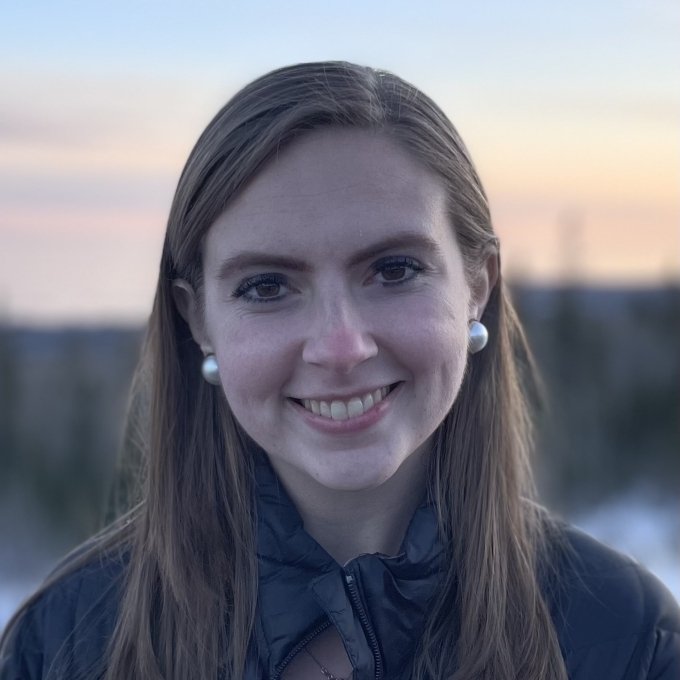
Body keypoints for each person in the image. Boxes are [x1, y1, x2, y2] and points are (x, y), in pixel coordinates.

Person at [0, 61, 678, 680]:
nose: (340, 346)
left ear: (477, 284)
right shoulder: (64, 644)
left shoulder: (624, 637)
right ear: (197, 317)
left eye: (394, 270)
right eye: (266, 286)